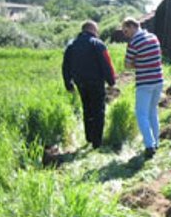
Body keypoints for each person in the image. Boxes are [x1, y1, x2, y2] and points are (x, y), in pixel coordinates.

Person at [62, 20, 116, 149]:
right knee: (98, 110)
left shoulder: (71, 45)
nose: (97, 33)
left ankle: (89, 137)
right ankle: (97, 142)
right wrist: (111, 81)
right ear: (92, 29)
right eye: (96, 30)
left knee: (87, 108)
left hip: (80, 83)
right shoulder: (97, 44)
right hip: (96, 82)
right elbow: (106, 63)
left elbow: (65, 66)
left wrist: (68, 84)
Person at [121, 17, 164, 158]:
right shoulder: (153, 37)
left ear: (133, 26)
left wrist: (137, 64)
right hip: (158, 79)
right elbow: (157, 57)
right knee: (153, 111)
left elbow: (127, 65)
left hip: (145, 82)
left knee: (141, 114)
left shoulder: (134, 43)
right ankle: (156, 142)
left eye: (126, 30)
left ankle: (149, 145)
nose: (125, 34)